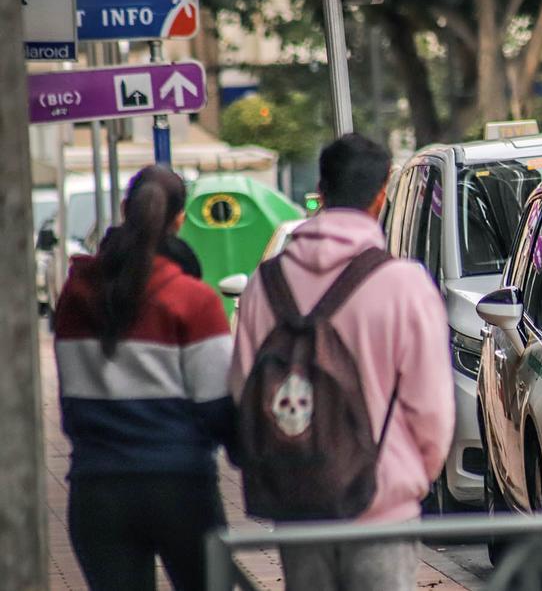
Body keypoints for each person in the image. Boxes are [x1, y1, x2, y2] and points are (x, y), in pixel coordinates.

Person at [229, 133, 454, 591]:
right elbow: (432, 412)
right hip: (381, 510)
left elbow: (242, 392)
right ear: (381, 193)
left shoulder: (264, 284)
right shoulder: (404, 285)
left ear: (321, 189)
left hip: (299, 504)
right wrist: (405, 477)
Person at [53, 165, 234, 591]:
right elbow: (217, 408)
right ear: (179, 220)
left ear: (123, 210)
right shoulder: (194, 301)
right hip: (182, 488)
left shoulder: (75, 296)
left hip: (96, 490)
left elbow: (69, 398)